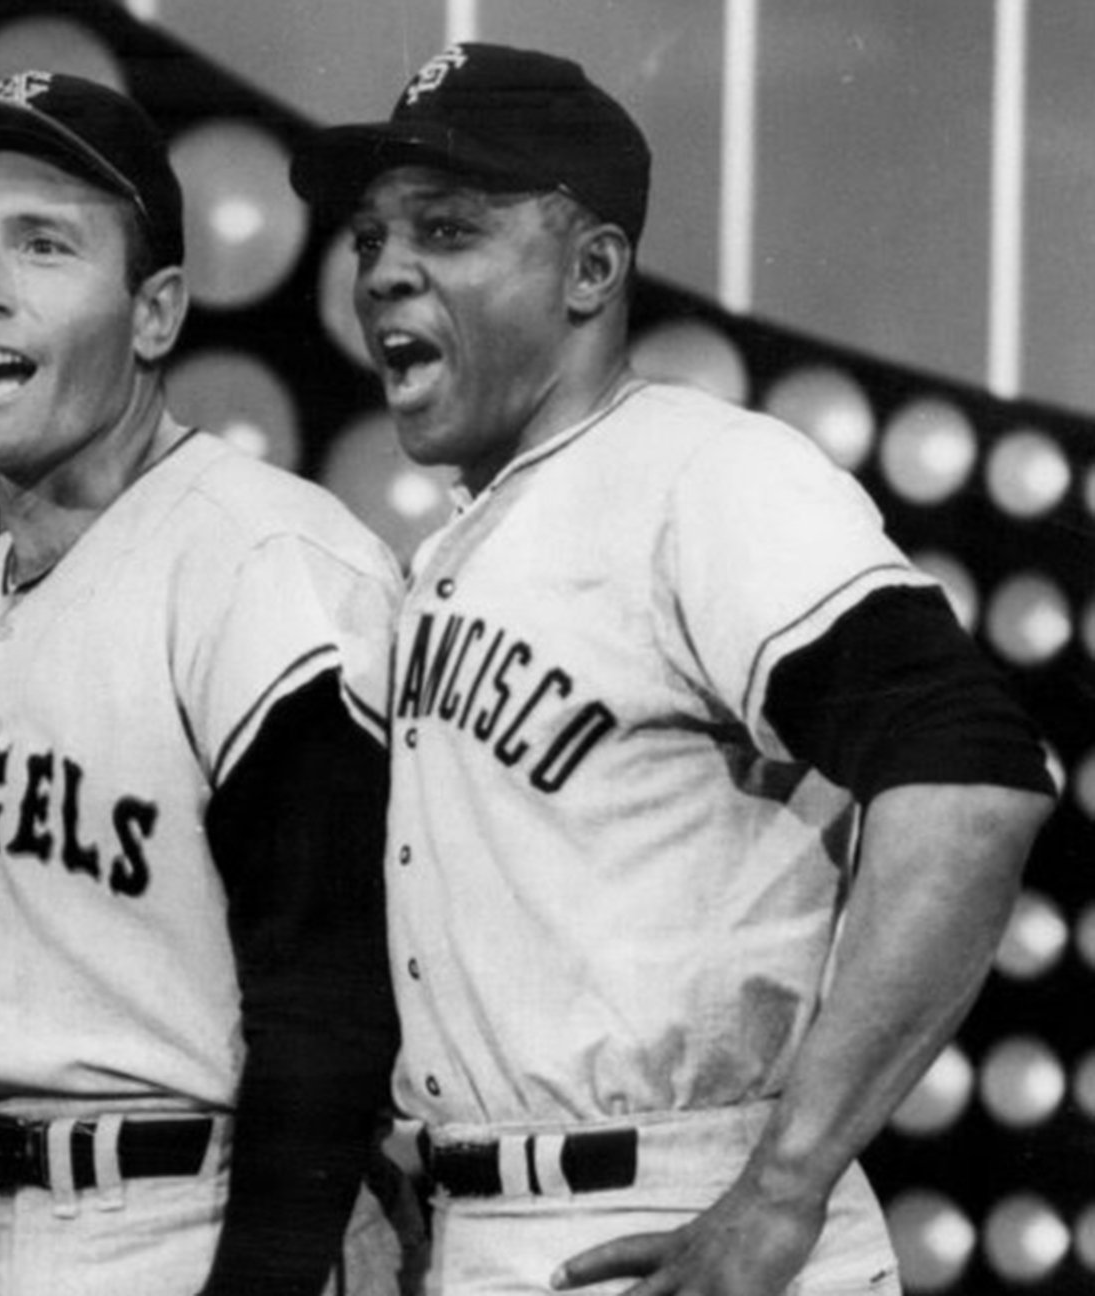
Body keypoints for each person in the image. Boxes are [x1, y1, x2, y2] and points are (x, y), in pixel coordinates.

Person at [290, 41, 1057, 1295]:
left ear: (593, 267)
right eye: (372, 237)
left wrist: (782, 1189)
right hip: (487, 1223)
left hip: (677, 1211)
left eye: (447, 229)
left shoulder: (708, 477)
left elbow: (971, 779)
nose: (385, 273)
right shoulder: (460, 543)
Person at [0, 70, 407, 1295]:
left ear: (155, 312)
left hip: (203, 1219)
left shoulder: (259, 561)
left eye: (42, 246)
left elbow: (328, 1014)